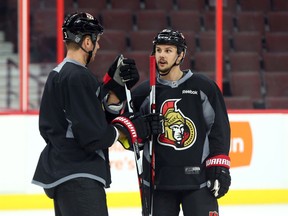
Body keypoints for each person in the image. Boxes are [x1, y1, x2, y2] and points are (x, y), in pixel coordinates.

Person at [32, 12, 162, 216]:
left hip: (65, 173)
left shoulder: (59, 73)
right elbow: (93, 136)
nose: (98, 46)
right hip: (79, 175)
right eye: (96, 41)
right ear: (86, 42)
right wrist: (127, 129)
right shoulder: (77, 76)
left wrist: (115, 90)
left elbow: (86, 119)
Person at [129, 29, 231, 216]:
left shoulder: (203, 87)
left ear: (180, 55)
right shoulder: (143, 93)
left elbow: (218, 129)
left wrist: (219, 165)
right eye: (158, 50)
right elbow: (127, 136)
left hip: (198, 182)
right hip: (158, 183)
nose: (161, 55)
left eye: (168, 51)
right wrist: (140, 129)